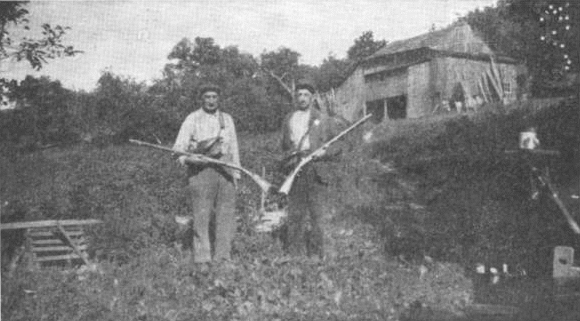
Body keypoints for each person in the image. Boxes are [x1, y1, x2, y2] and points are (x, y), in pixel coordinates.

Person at [173, 84, 240, 264]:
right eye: (207, 97)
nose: (211, 101)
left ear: (219, 99)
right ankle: (202, 260)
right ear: (201, 99)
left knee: (225, 216)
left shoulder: (227, 119)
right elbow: (178, 150)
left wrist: (235, 175)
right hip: (201, 172)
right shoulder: (192, 119)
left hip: (225, 171)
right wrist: (192, 160)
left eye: (214, 97)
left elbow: (233, 148)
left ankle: (223, 258)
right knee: (201, 217)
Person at [280, 81, 341, 259]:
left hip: (316, 169)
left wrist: (325, 152)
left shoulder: (322, 119)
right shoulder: (288, 119)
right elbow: (283, 145)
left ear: (312, 98)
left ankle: (321, 255)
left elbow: (339, 144)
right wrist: (290, 158)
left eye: (306, 95)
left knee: (318, 215)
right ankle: (295, 256)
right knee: (295, 215)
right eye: (299, 95)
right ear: (295, 97)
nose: (302, 98)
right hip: (296, 169)